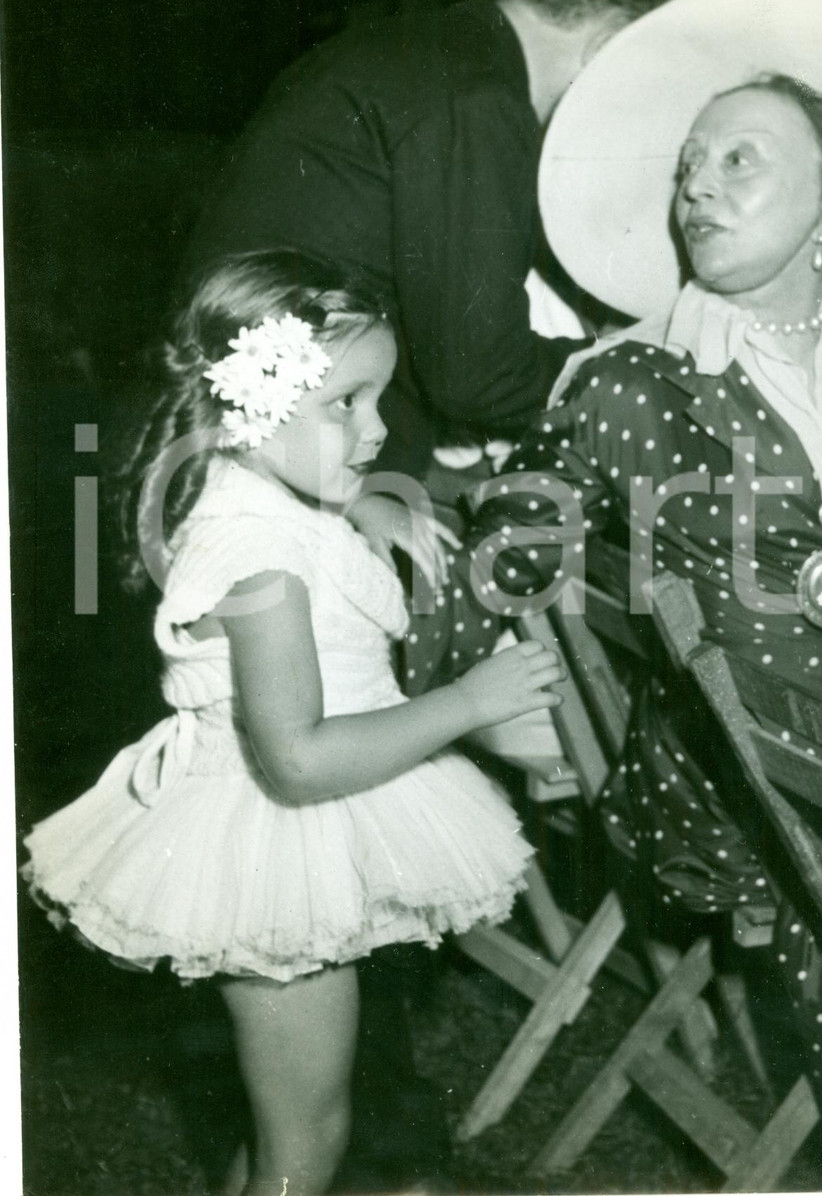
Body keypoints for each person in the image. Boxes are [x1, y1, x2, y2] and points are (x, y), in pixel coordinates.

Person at [404, 0, 822, 1184]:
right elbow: (501, 553)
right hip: (753, 787)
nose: (697, 186)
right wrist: (475, 703)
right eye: (691, 165)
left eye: (740, 161)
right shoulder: (634, 384)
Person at [20, 251, 565, 1196]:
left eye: (379, 397)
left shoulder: (267, 493)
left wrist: (367, 505)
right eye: (346, 403)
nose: (379, 425)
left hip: (298, 836)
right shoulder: (260, 557)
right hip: (278, 843)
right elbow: (301, 759)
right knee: (308, 1133)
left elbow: (315, 508)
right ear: (254, 409)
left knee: (296, 1117)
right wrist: (469, 705)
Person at [182, 0, 670, 480]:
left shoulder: (427, 48)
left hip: (241, 421)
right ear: (607, 41)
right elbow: (480, 377)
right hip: (301, 454)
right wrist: (650, 372)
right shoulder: (482, 97)